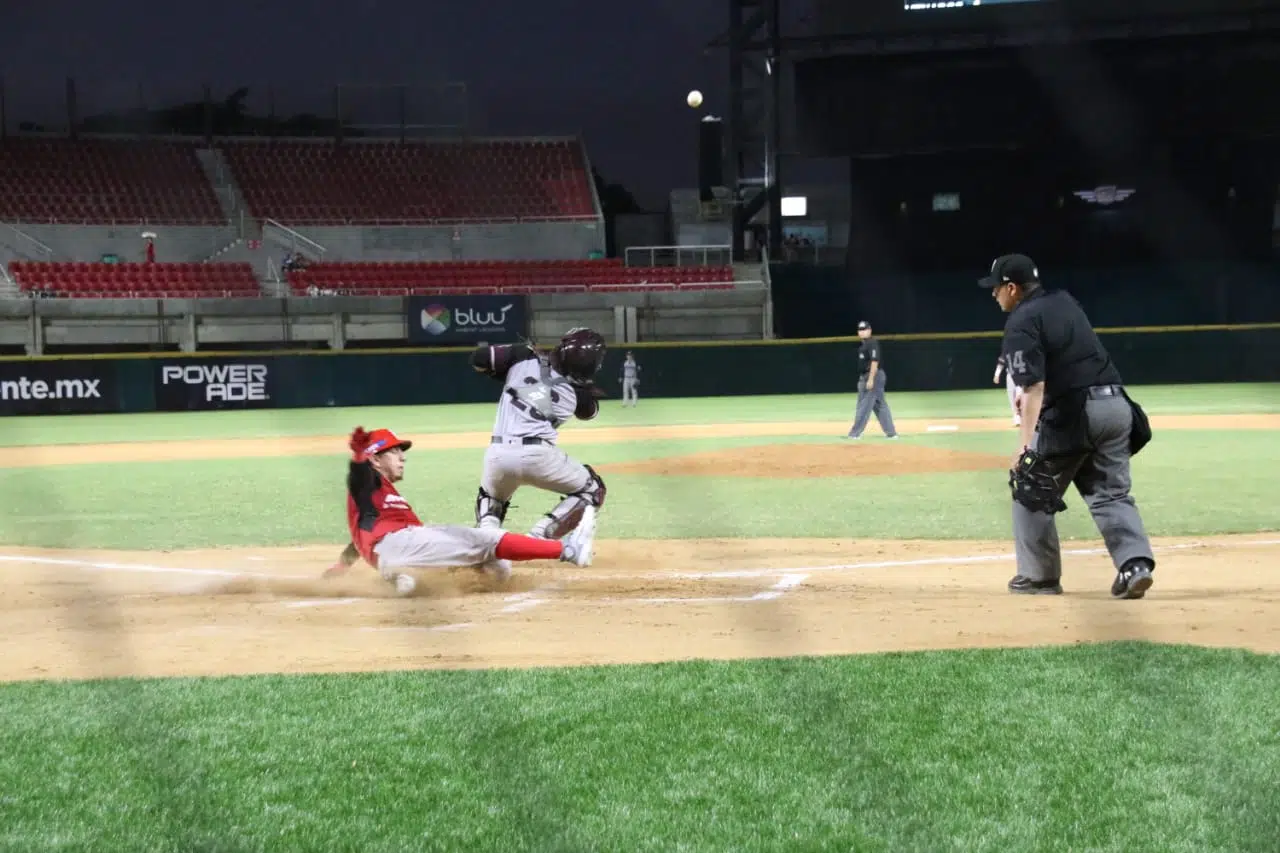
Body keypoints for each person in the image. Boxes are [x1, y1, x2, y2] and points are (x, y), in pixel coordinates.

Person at [980, 253, 1155, 599]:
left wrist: (1025, 443)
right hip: (1117, 407)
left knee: (1031, 487)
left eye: (997, 288)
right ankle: (1135, 565)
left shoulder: (1021, 320)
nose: (993, 294)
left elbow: (1032, 386)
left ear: (1012, 289)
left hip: (1076, 414)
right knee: (1111, 495)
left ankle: (1039, 578)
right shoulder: (1064, 301)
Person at [324, 426, 596, 595]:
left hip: (398, 553)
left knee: (497, 568)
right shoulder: (367, 483)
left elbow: (360, 538)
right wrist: (359, 459)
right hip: (399, 545)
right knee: (489, 539)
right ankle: (568, 550)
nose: (402, 457)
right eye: (394, 452)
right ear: (374, 458)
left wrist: (341, 565)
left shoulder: (380, 497)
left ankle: (406, 581)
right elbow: (358, 480)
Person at [471, 327, 609, 540]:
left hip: (498, 454)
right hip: (539, 457)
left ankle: (486, 542)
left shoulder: (522, 359)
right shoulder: (581, 397)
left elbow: (479, 358)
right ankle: (539, 538)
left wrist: (507, 370)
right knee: (593, 490)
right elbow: (589, 413)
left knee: (492, 499)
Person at [846, 320, 898, 440]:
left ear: (870, 330)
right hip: (867, 376)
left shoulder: (872, 342)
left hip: (874, 376)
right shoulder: (864, 345)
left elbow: (875, 361)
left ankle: (855, 433)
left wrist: (871, 379)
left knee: (864, 405)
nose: (862, 332)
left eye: (864, 329)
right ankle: (891, 433)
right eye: (860, 330)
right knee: (880, 405)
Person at [993, 353, 1022, 427]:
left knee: (1020, 396)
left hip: (1021, 375)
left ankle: (1021, 417)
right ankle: (1016, 418)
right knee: (1011, 397)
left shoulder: (1022, 348)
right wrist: (997, 374)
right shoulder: (1008, 348)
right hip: (1010, 376)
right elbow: (1001, 362)